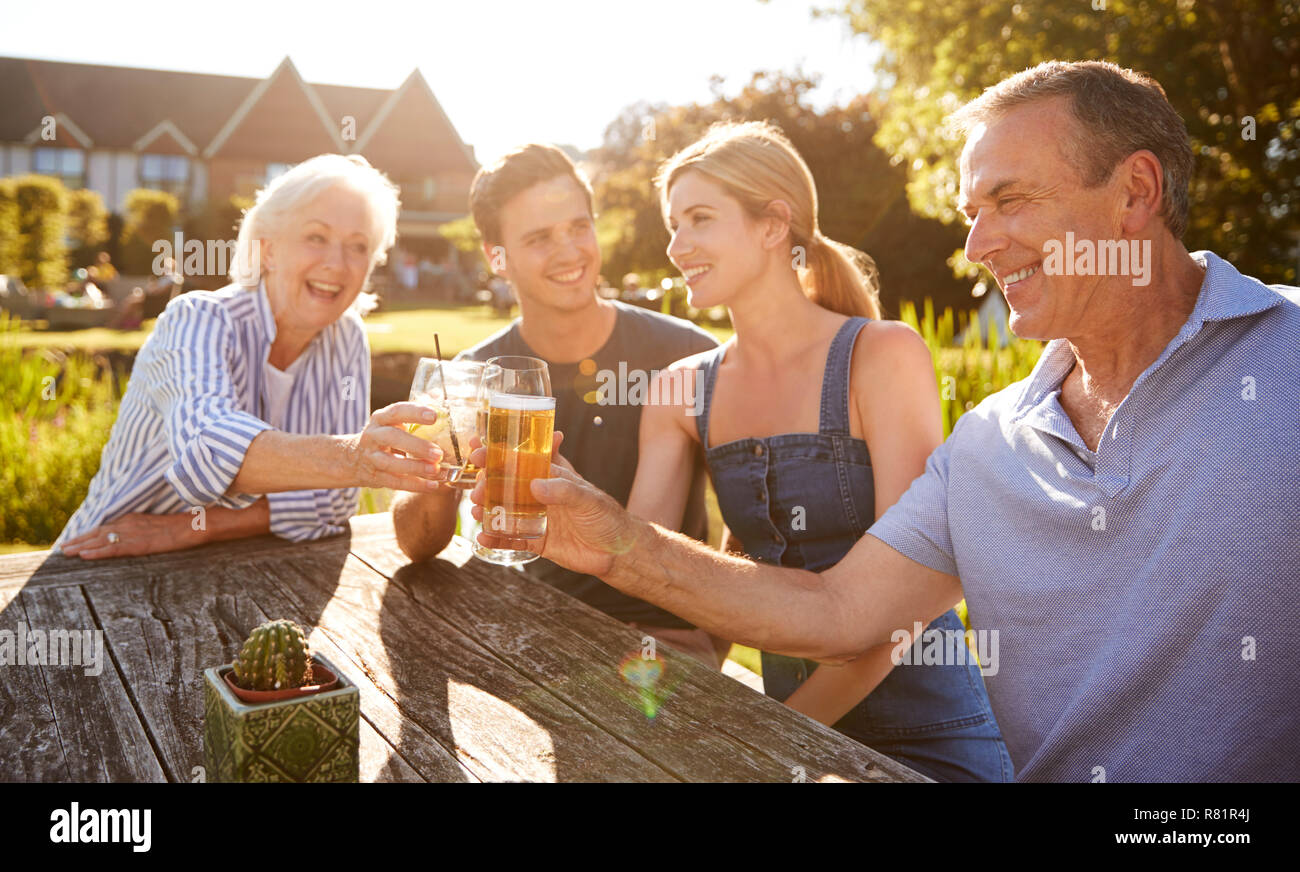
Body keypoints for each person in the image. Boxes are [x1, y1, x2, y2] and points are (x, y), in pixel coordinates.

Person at [471, 61, 1300, 781]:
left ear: (1135, 192)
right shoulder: (990, 445)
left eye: (1008, 201)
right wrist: (617, 543)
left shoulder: (1284, 356)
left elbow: (882, 638)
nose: (977, 244)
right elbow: (839, 614)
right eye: (972, 210)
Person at [614, 120, 1010, 781]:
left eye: (700, 220)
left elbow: (908, 603)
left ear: (774, 225)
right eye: (673, 224)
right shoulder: (678, 391)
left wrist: (776, 736)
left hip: (930, 737)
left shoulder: (882, 356)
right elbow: (651, 573)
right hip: (789, 739)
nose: (677, 246)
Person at [390, 144, 722, 667]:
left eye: (578, 227)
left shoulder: (688, 353)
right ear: (496, 258)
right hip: (535, 625)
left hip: (666, 640)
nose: (570, 251)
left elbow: (752, 522)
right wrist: (437, 464)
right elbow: (417, 544)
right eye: (540, 238)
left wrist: (713, 638)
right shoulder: (474, 373)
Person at [55, 154, 446, 559]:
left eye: (358, 246)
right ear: (268, 250)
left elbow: (333, 502)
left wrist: (195, 529)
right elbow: (207, 453)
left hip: (238, 568)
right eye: (316, 237)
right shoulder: (197, 319)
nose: (337, 263)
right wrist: (355, 459)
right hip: (100, 560)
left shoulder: (345, 334)